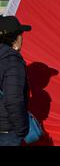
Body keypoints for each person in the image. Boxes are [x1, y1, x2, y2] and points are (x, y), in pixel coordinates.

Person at [0, 16, 32, 146]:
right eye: (20, 34)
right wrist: (21, 129)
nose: (22, 38)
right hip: (6, 132)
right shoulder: (12, 61)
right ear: (14, 38)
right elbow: (13, 99)